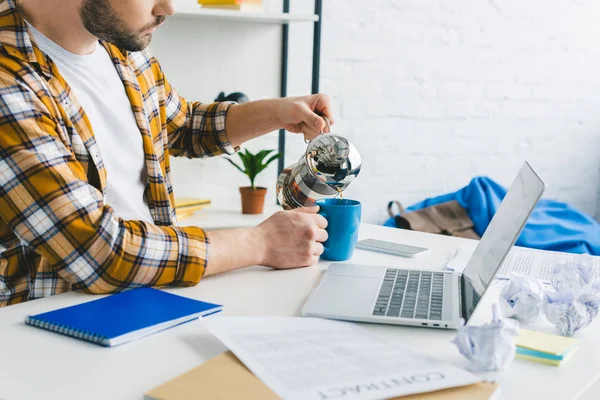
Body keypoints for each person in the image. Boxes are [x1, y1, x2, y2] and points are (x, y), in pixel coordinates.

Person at [0, 0, 334, 306]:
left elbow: (183, 126)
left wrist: (278, 113)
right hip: (48, 327)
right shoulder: (7, 81)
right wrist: (259, 243)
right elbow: (100, 252)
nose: (169, 7)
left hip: (145, 298)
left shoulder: (118, 45)